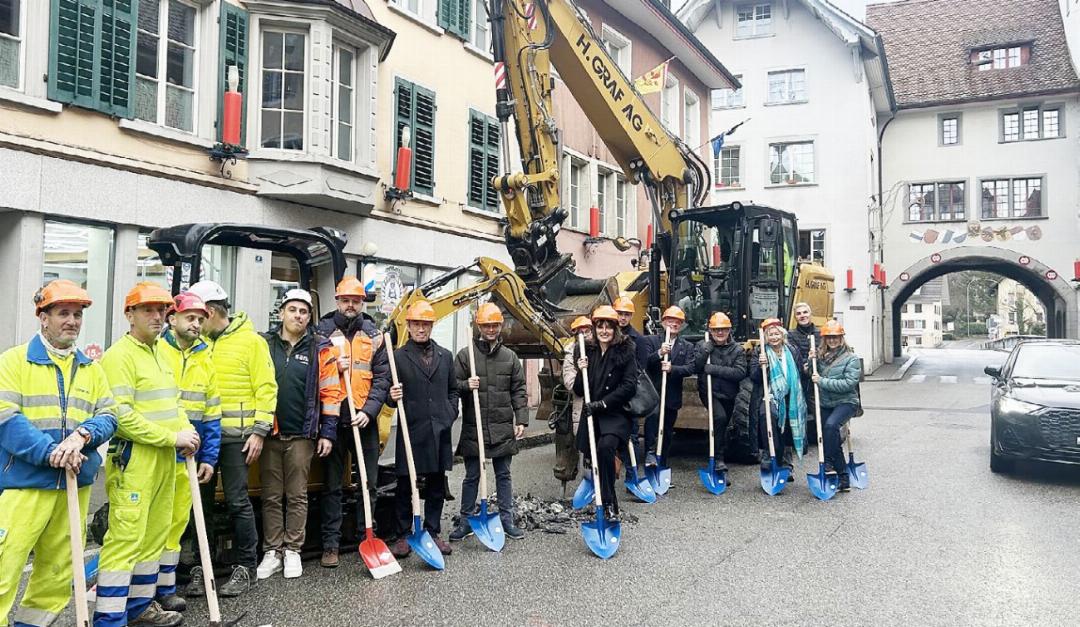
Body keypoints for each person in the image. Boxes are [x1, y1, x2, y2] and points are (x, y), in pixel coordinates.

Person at [0, 280, 117, 627]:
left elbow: (109, 415)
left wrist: (83, 435)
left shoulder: (92, 369)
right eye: (63, 313)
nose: (72, 321)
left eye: (77, 315)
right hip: (24, 485)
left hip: (73, 485)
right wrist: (51, 452)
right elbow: (6, 419)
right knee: (4, 567)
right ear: (43, 317)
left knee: (56, 574)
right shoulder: (14, 361)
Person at [97, 283, 200, 627]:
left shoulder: (160, 353)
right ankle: (110, 617)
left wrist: (187, 430)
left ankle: (140, 607)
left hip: (164, 457)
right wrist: (172, 437)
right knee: (126, 539)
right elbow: (121, 416)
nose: (157, 316)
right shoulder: (119, 356)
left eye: (161, 310)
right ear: (130, 315)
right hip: (135, 459)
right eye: (148, 310)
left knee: (154, 535)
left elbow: (173, 404)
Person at [185, 280, 277, 598]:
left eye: (199, 316)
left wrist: (259, 431)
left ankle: (245, 567)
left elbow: (267, 387)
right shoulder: (197, 343)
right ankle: (202, 568)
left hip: (238, 438)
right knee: (200, 505)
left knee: (238, 501)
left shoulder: (251, 342)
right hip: (201, 438)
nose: (195, 323)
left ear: (211, 313)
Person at [257, 289, 344, 580]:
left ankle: (293, 549)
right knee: (271, 496)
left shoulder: (320, 348)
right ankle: (272, 551)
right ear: (281, 313)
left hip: (302, 436)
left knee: (297, 495)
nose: (298, 315)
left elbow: (331, 392)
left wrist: (327, 433)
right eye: (292, 310)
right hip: (269, 433)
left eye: (303, 311)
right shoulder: (264, 344)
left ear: (309, 317)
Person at [315, 277, 390, 569]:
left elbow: (382, 379)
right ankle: (330, 544)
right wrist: (334, 366)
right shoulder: (321, 332)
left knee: (368, 483)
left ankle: (366, 535)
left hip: (363, 420)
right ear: (337, 301)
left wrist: (369, 411)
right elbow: (313, 373)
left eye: (355, 301)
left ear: (362, 304)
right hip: (333, 419)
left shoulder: (374, 335)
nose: (350, 305)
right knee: (332, 486)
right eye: (345, 300)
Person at [154, 292, 221, 613]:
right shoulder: (156, 350)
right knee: (149, 525)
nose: (196, 324)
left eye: (200, 319)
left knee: (175, 525)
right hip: (156, 451)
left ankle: (165, 589)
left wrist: (210, 457)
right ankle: (141, 592)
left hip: (189, 455)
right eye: (190, 317)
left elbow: (212, 412)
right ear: (172, 319)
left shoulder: (205, 357)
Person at [449, 303, 529, 542]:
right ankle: (465, 521)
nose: (491, 330)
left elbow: (519, 390)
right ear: (479, 327)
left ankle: (506, 520)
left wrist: (521, 419)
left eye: (494, 325)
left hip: (502, 426)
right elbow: (452, 386)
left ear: (500, 326)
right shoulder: (466, 356)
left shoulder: (510, 357)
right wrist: (466, 385)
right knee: (472, 476)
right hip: (474, 427)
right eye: (486, 326)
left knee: (503, 475)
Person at [387, 300, 459, 558]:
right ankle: (403, 534)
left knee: (437, 484)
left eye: (425, 324)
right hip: (412, 429)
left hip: (439, 429)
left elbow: (453, 390)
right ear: (408, 326)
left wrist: (450, 413)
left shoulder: (445, 356)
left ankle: (432, 531)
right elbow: (388, 395)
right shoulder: (398, 357)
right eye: (416, 324)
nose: (421, 328)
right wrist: (391, 395)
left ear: (431, 326)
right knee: (405, 485)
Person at [572, 306, 637, 520]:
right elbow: (580, 390)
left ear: (615, 329)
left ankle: (609, 501)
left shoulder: (625, 350)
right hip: (592, 415)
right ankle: (604, 498)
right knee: (598, 457)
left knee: (606, 447)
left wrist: (603, 404)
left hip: (615, 413)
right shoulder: (586, 351)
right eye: (600, 327)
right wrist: (580, 370)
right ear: (594, 328)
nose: (604, 331)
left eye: (608, 327)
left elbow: (629, 386)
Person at [750, 318, 807, 473]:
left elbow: (800, 372)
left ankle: (786, 461)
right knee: (767, 416)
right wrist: (762, 366)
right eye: (770, 335)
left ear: (782, 335)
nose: (774, 337)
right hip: (769, 395)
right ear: (766, 338)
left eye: (776, 334)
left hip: (791, 395)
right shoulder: (760, 352)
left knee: (787, 426)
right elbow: (754, 377)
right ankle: (770, 454)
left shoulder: (792, 351)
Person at [811, 321, 862, 492]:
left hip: (846, 402)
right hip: (826, 402)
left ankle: (828, 461)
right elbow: (809, 373)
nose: (832, 340)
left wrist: (822, 381)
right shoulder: (820, 357)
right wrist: (810, 361)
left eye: (835, 337)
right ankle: (843, 478)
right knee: (831, 437)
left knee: (831, 426)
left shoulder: (851, 358)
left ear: (841, 338)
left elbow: (848, 384)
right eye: (829, 337)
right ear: (824, 339)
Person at [693, 312, 748, 473]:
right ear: (710, 331)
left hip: (729, 394)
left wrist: (713, 369)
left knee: (723, 424)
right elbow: (696, 367)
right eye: (716, 329)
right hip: (709, 392)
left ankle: (717, 450)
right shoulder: (702, 345)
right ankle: (718, 459)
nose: (720, 332)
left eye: (723, 329)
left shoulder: (737, 349)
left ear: (729, 330)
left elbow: (739, 373)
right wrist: (705, 352)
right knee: (720, 417)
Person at [643, 306, 696, 466]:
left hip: (672, 395)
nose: (674, 324)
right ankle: (650, 453)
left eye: (677, 322)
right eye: (670, 320)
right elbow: (644, 362)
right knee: (653, 419)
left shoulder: (687, 346)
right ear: (663, 322)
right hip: (654, 392)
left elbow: (690, 368)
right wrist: (659, 353)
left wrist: (673, 368)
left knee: (667, 430)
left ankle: (662, 462)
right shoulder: (651, 341)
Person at [554, 316, 593, 485]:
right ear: (575, 336)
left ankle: (603, 488)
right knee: (585, 451)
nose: (585, 335)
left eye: (587, 331)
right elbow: (571, 385)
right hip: (582, 409)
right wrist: (582, 371)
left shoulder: (603, 349)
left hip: (603, 408)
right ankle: (588, 483)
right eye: (580, 333)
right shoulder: (571, 354)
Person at [612, 296, 647, 472]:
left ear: (631, 316)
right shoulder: (607, 336)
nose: (622, 318)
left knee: (631, 434)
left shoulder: (638, 339)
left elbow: (641, 368)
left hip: (629, 394)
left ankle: (631, 474)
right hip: (610, 393)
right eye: (620, 313)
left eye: (626, 314)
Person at [789, 303, 819, 419]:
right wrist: (805, 365)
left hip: (818, 378)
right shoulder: (790, 335)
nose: (802, 315)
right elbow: (793, 356)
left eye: (805, 312)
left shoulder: (821, 334)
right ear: (795, 317)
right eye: (799, 313)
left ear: (810, 314)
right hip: (800, 379)